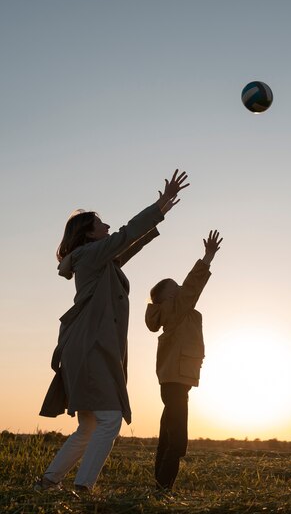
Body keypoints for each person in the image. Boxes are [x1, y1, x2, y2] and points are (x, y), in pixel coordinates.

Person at [37, 170, 189, 493]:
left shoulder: (99, 260)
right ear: (90, 235)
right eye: (101, 224)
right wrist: (159, 205)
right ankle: (83, 489)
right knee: (110, 420)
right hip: (89, 347)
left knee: (90, 425)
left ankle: (48, 482)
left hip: (86, 347)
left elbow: (127, 245)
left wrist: (157, 219)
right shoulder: (92, 255)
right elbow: (124, 236)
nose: (107, 226)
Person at [145, 229, 222, 491]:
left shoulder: (176, 312)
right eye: (175, 287)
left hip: (175, 379)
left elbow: (187, 291)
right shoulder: (175, 309)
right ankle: (164, 489)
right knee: (177, 441)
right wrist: (207, 257)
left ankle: (160, 488)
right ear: (168, 297)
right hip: (176, 380)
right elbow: (192, 287)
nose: (181, 288)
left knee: (167, 436)